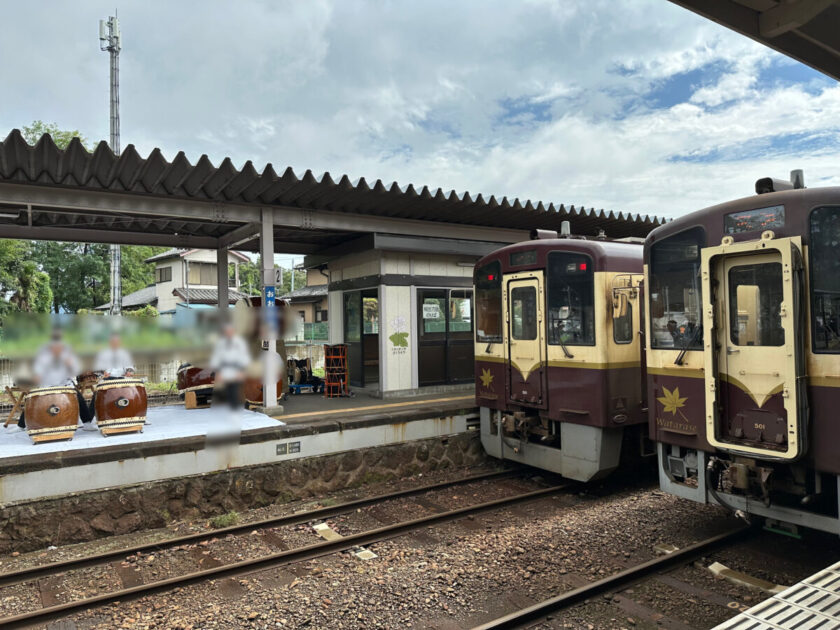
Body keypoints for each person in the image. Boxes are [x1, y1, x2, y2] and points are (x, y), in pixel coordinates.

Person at [17, 330, 94, 430]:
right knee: (32, 398)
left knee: (78, 396)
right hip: (47, 385)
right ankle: (21, 426)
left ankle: (87, 423)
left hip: (64, 385)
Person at [209, 320, 250, 410]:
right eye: (227, 331)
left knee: (234, 392)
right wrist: (217, 372)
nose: (229, 333)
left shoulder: (240, 342)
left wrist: (242, 371)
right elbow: (216, 357)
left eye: (230, 331)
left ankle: (234, 412)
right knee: (223, 393)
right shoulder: (221, 343)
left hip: (236, 370)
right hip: (223, 370)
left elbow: (244, 357)